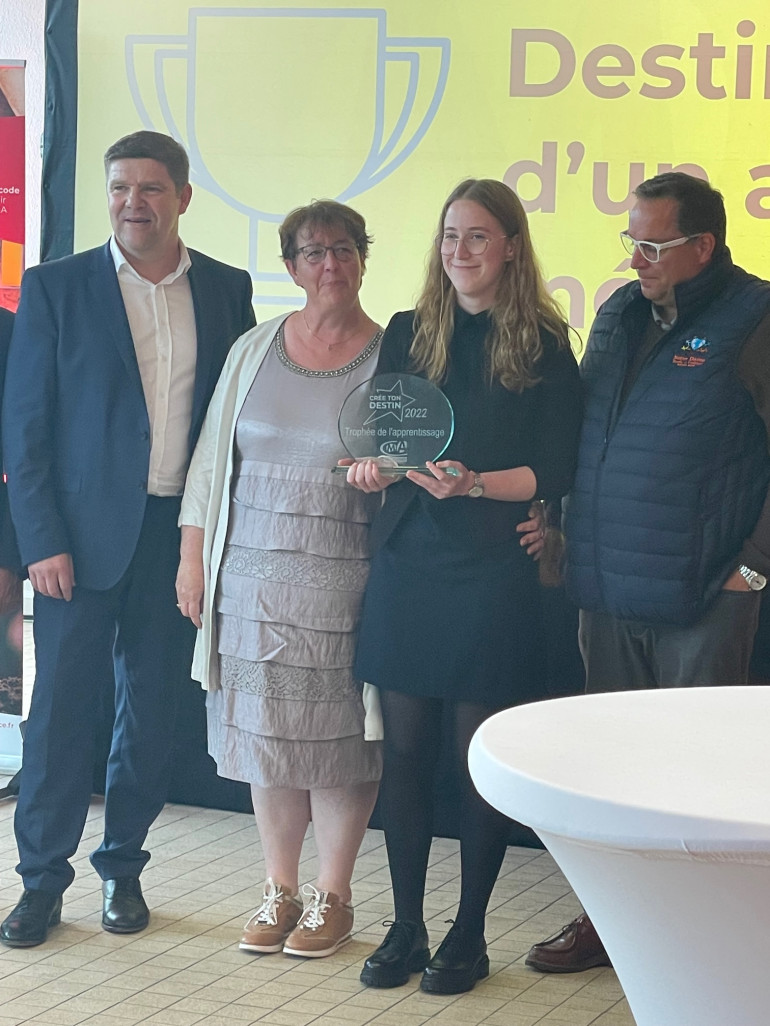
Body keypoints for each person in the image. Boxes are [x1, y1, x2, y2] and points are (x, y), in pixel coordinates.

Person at [0, 130, 255, 948]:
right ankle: (40, 882)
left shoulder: (225, 288)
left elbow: (231, 420)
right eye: (118, 188)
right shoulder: (55, 287)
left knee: (152, 714)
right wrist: (39, 540)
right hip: (74, 541)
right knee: (60, 716)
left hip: (175, 537)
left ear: (182, 197)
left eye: (149, 188)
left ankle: (124, 868)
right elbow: (25, 427)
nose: (131, 203)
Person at [524, 171, 770, 974]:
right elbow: (586, 427)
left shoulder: (757, 316)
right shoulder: (619, 312)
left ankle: (705, 943)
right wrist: (558, 526)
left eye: (655, 245)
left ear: (704, 246)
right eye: (630, 240)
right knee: (611, 777)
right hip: (605, 586)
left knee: (700, 782)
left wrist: (755, 568)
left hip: (706, 594)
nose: (637, 258)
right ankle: (611, 925)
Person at [346, 178, 582, 994]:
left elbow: (557, 467)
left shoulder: (547, 343)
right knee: (404, 757)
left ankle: (468, 933)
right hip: (410, 565)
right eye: (450, 236)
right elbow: (387, 441)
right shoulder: (411, 330)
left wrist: (475, 484)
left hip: (489, 569)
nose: (460, 252)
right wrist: (376, 469)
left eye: (478, 237)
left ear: (511, 246)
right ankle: (407, 925)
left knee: (471, 759)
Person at [176, 200, 383, 958]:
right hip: (249, 580)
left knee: (337, 739)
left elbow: (415, 469)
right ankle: (278, 889)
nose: (329, 265)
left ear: (365, 258)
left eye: (343, 250)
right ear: (291, 266)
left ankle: (334, 894)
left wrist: (385, 475)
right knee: (264, 736)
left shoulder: (396, 359)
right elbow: (209, 462)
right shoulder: (253, 349)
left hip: (345, 578)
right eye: (312, 252)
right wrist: (192, 557)